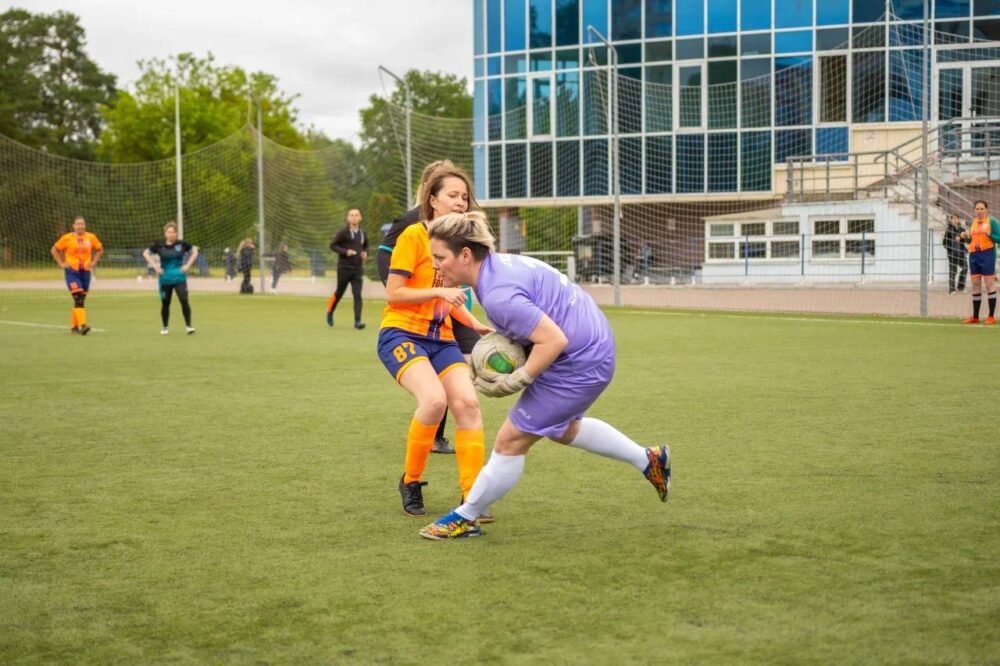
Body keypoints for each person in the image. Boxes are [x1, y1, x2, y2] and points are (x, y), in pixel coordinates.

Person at [419, 211, 672, 540]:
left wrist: (517, 378)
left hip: (580, 359)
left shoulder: (497, 294)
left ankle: (466, 517)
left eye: (439, 257)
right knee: (560, 428)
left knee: (510, 439)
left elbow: (553, 339)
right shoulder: (496, 268)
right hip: (591, 345)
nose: (436, 265)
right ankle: (649, 459)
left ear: (465, 254)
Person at [378, 164, 493, 519]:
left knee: (468, 405)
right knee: (433, 401)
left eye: (464, 197)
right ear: (432, 200)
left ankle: (472, 497)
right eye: (452, 195)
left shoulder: (459, 246)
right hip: (400, 332)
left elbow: (450, 301)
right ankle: (411, 480)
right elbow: (394, 293)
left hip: (441, 339)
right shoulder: (413, 236)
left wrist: (475, 323)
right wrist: (443, 291)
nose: (460, 202)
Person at [50, 215, 103, 335]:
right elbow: (54, 249)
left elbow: (100, 249)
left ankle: (74, 328)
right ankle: (83, 325)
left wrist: (94, 262)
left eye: (82, 224)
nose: (80, 226)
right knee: (77, 297)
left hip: (86, 271)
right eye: (78, 224)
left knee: (80, 300)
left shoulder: (91, 237)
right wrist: (61, 263)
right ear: (73, 226)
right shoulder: (67, 238)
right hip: (72, 271)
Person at [143, 221, 197, 335]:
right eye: (169, 232)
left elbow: (195, 252)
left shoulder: (182, 244)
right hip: (165, 279)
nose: (171, 234)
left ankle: (189, 326)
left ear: (176, 233)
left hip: (179, 277)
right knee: (165, 302)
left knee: (184, 300)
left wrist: (187, 265)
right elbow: (145, 253)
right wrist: (155, 267)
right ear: (165, 233)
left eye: (173, 232)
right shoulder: (159, 245)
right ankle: (165, 327)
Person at [326, 209, 368, 329]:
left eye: (356, 215)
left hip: (357, 269)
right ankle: (329, 311)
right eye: (352, 215)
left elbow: (365, 246)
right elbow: (333, 245)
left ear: (360, 218)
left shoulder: (362, 233)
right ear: (348, 218)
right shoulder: (343, 233)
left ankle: (358, 321)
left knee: (357, 294)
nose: (354, 217)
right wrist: (346, 252)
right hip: (344, 268)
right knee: (339, 292)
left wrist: (365, 253)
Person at [960, 200, 1000, 325]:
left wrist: (991, 236)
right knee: (975, 285)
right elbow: (971, 240)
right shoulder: (973, 223)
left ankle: (991, 316)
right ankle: (975, 316)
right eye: (977, 209)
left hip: (987, 255)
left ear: (986, 210)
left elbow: (999, 238)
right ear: (974, 210)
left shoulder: (992, 221)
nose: (979, 211)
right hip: (973, 255)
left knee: (989, 285)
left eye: (982, 208)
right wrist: (965, 237)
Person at [943, 214, 968, 294]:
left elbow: (966, 241)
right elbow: (944, 243)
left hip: (961, 252)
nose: (955, 220)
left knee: (965, 268)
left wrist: (964, 237)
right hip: (952, 253)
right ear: (950, 220)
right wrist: (951, 248)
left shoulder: (962, 229)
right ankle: (952, 290)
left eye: (956, 218)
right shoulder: (948, 230)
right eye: (953, 218)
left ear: (959, 220)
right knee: (953, 271)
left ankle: (961, 287)